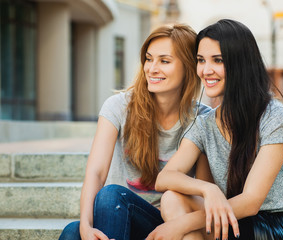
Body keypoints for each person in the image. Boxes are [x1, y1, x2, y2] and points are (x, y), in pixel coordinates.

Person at [148, 19, 283, 240]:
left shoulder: (275, 116)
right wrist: (208, 189)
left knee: (184, 225)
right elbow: (165, 178)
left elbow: (250, 202)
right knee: (172, 198)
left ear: (241, 63)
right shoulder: (205, 123)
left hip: (278, 227)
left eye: (217, 60)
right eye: (201, 60)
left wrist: (180, 225)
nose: (206, 70)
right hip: (235, 222)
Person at [58, 23, 210, 240]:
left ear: (188, 67)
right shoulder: (118, 106)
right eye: (149, 59)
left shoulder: (202, 118)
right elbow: (96, 173)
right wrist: (85, 224)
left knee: (111, 195)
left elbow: (201, 193)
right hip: (116, 216)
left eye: (164, 61)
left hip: (169, 224)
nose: (152, 68)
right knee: (72, 232)